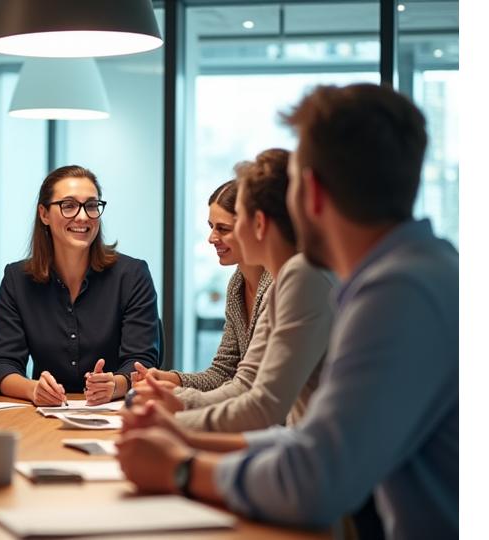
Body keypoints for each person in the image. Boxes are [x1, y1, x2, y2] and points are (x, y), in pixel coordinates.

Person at [116, 84, 458, 538]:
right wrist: (184, 436)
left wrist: (180, 467)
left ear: (311, 193)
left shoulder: (397, 293)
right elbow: (308, 439)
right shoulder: (423, 270)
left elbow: (314, 480)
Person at [133, 148, 335, 433]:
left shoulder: (301, 277)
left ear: (259, 223)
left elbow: (264, 404)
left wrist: (173, 420)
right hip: (293, 445)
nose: (214, 238)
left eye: (231, 225)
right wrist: (176, 402)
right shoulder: (286, 278)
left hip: (309, 455)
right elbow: (245, 382)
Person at [0, 165, 160, 406]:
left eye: (91, 205)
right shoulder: (17, 279)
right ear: (44, 214)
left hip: (114, 413)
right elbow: (1, 365)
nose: (82, 216)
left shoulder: (132, 275)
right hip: (42, 417)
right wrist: (33, 389)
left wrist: (114, 385)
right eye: (68, 206)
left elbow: (142, 360)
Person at [131, 179, 273, 408]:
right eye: (211, 227)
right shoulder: (237, 285)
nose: (211, 238)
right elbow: (223, 373)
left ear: (255, 226)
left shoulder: (278, 286)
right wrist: (172, 379)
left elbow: (250, 385)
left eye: (223, 229)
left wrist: (180, 399)